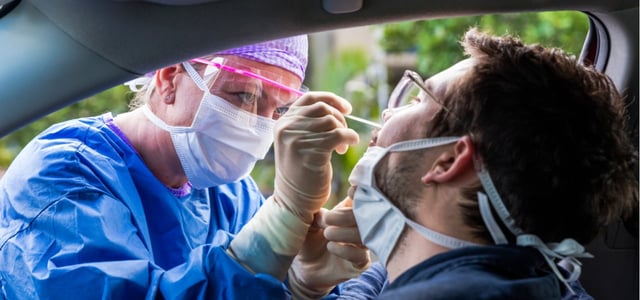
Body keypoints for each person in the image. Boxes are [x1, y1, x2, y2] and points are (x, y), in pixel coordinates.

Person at [0, 35, 370, 299]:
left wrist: (300, 284)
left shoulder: (231, 194)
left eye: (277, 110)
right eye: (243, 94)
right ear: (168, 78)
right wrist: (280, 221)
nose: (260, 124)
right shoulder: (64, 173)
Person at [341, 27, 638, 299]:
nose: (387, 115)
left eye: (419, 99)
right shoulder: (548, 282)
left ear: (449, 161)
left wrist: (293, 241)